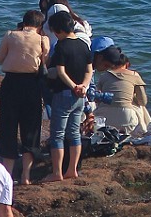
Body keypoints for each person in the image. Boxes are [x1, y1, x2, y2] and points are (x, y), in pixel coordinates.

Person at [0, 9, 49, 184]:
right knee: (31, 128)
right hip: (32, 84)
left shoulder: (10, 35)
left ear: (23, 22)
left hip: (11, 83)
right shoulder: (42, 40)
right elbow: (46, 61)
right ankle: (26, 174)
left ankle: (8, 174)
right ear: (40, 25)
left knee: (8, 126)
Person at [43, 10, 92, 182]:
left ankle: (57, 173)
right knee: (74, 133)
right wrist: (83, 87)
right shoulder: (83, 45)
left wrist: (73, 86)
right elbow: (89, 70)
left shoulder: (61, 46)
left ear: (58, 30)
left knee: (57, 134)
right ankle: (72, 170)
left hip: (64, 94)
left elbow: (60, 72)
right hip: (80, 96)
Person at [91, 44, 151, 142]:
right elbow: (143, 101)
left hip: (103, 118)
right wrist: (133, 98)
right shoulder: (135, 75)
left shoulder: (104, 76)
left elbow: (97, 98)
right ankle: (143, 132)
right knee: (139, 106)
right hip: (126, 118)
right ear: (127, 64)